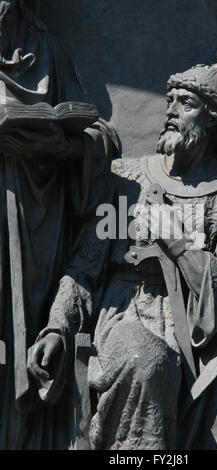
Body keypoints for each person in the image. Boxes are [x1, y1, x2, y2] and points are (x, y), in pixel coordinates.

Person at [31, 62, 217, 450]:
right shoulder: (127, 180)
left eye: (185, 103)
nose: (170, 111)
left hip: (200, 340)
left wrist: (180, 245)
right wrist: (58, 327)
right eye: (169, 100)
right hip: (126, 315)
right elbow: (83, 270)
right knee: (148, 358)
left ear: (213, 121)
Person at [0, 0, 118, 449]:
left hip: (41, 215)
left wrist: (64, 142)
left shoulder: (50, 53)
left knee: (30, 334)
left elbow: (97, 135)